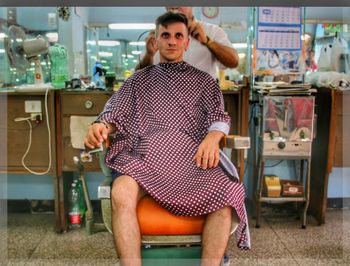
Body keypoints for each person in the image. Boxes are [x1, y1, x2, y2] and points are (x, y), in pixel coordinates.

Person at [85, 12, 250, 266]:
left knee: (227, 192)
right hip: (144, 161)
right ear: (157, 40)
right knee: (121, 192)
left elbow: (219, 116)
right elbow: (112, 112)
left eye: (178, 36)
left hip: (191, 163)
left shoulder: (205, 82)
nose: (171, 41)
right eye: (165, 35)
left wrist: (213, 137)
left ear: (186, 42)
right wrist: (100, 125)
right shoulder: (138, 80)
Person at [135, 6, 239, 79]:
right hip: (164, 104)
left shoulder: (212, 31)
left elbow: (234, 61)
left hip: (200, 104)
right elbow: (138, 77)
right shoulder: (157, 35)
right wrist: (149, 55)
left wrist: (208, 41)